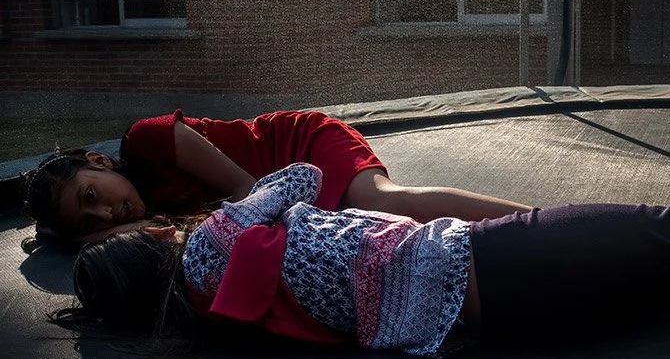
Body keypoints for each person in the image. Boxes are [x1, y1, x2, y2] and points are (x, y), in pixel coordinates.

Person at [55, 163, 670, 359]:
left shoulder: (213, 330)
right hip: (500, 262)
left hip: (512, 331)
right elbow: (300, 174)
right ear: (149, 245)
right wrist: (212, 213)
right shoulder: (212, 240)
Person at [20, 109, 531, 243]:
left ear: (100, 160)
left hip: (298, 151)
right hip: (288, 210)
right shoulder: (142, 213)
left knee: (385, 203)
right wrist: (96, 234)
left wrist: (92, 232)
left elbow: (250, 191)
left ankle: (534, 223)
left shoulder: (149, 137)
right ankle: (495, 249)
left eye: (92, 195)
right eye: (92, 222)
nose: (106, 212)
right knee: (389, 240)